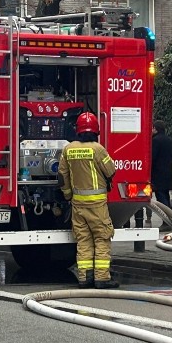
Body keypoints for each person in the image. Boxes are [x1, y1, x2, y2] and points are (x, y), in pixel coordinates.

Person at [58, 112, 119, 289]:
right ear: (96, 130)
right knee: (102, 238)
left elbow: (62, 176)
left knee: (83, 240)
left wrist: (68, 195)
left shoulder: (68, 149)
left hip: (77, 204)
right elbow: (111, 170)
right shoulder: (98, 149)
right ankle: (102, 278)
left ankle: (84, 278)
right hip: (97, 204)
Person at [151, 119, 172, 232]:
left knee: (161, 198)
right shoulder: (170, 141)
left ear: (156, 129)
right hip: (168, 172)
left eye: (152, 128)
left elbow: (153, 158)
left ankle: (167, 221)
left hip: (158, 173)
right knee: (166, 195)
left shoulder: (155, 141)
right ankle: (170, 219)